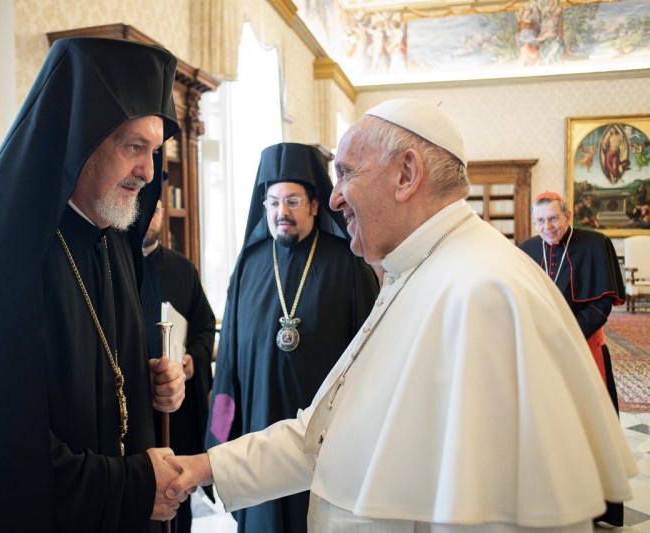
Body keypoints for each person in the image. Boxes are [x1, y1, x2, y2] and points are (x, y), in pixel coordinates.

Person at [167, 98, 637, 532]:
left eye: (347, 173)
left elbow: (491, 508)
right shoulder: (415, 270)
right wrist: (203, 467)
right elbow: (328, 435)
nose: (334, 198)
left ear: (406, 173)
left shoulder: (481, 292)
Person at [0, 38, 189, 532]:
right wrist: (133, 487)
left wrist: (153, 380)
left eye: (155, 151)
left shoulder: (111, 243)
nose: (148, 171)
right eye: (134, 146)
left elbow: (99, 384)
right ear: (79, 139)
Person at [207, 142, 379, 532]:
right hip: (257, 428)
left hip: (326, 447)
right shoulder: (249, 266)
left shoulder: (347, 263)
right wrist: (218, 439)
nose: (281, 212)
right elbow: (228, 366)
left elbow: (371, 360)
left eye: (292, 201)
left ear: (315, 205)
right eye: (272, 202)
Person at [519, 190, 627, 526]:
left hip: (584, 347)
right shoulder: (527, 250)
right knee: (550, 425)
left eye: (553, 218)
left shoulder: (594, 244)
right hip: (544, 351)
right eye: (540, 220)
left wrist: (566, 337)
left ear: (567, 216)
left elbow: (601, 304)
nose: (547, 227)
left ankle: (595, 505)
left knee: (588, 424)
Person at [140, 199, 217, 533]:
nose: (152, 215)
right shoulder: (114, 266)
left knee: (178, 493)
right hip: (136, 407)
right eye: (146, 208)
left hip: (179, 409)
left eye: (157, 208)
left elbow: (204, 327)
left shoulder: (182, 268)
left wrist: (191, 362)